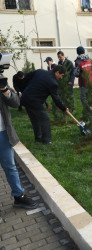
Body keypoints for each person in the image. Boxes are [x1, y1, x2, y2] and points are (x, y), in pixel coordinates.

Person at [0, 75, 38, 219]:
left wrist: (4, 89)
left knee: (10, 166)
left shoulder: (1, 80)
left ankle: (18, 196)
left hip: (3, 133)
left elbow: (16, 103)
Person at [20, 65, 69, 144]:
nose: (61, 78)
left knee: (35, 119)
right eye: (61, 75)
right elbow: (56, 99)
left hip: (25, 98)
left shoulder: (40, 71)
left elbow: (26, 77)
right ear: (57, 72)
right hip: (34, 101)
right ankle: (46, 141)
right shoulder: (53, 83)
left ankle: (38, 138)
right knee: (45, 119)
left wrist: (25, 90)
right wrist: (64, 108)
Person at [73, 46, 92, 117]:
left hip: (84, 82)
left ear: (77, 53)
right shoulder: (89, 59)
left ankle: (90, 113)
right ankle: (87, 113)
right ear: (84, 51)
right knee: (90, 97)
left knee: (83, 98)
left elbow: (76, 73)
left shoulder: (78, 61)